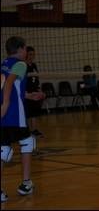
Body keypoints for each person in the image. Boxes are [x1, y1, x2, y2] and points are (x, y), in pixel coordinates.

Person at [1, 37, 40, 203]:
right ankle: (26, 184)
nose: (27, 53)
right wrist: (6, 104)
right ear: (21, 49)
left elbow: (8, 87)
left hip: (3, 116)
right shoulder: (21, 64)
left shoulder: (3, 64)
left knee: (2, 150)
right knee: (27, 143)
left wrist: (28, 95)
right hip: (15, 115)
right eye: (25, 49)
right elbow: (9, 84)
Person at [24, 46, 46, 137]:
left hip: (35, 92)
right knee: (29, 112)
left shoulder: (34, 65)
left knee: (34, 112)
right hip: (27, 93)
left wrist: (39, 90)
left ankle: (34, 130)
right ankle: (29, 130)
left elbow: (36, 79)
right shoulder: (23, 65)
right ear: (26, 55)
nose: (31, 56)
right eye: (30, 54)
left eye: (33, 54)